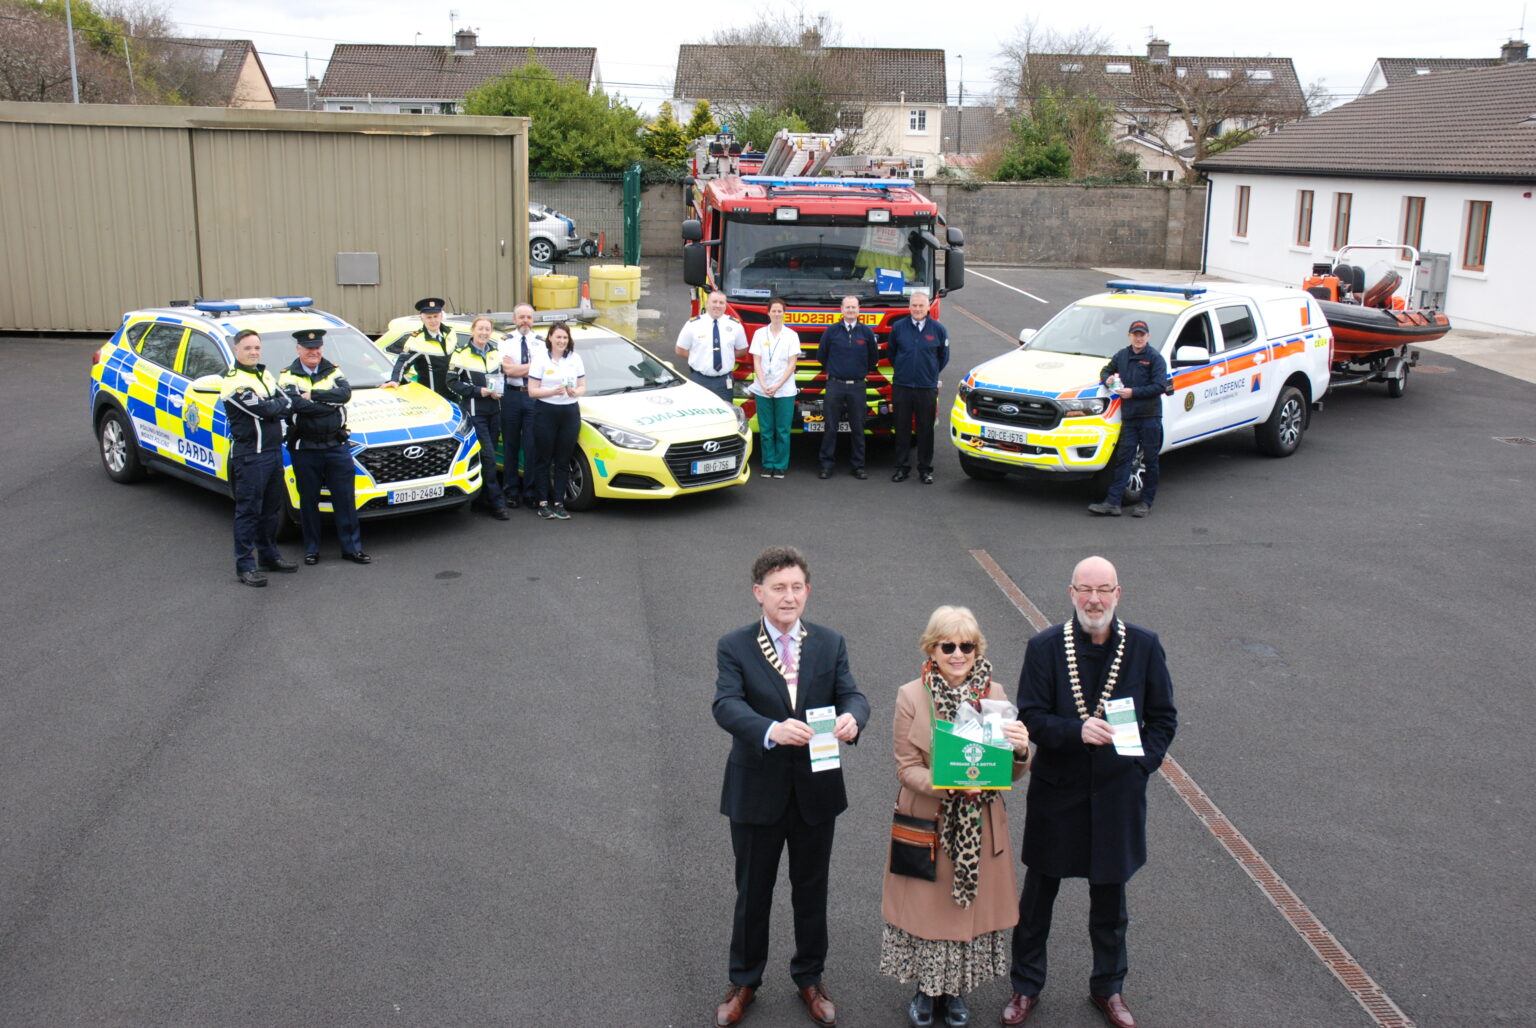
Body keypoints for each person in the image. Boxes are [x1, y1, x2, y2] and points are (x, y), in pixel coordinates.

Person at [1001, 556, 1178, 1028]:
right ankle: (1025, 987)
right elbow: (1031, 717)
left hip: (1117, 797)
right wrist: (1075, 731)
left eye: (1103, 590)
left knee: (1110, 905)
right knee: (1038, 900)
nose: (1094, 599)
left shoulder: (1143, 646)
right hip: (1058, 795)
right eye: (1085, 589)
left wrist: (1141, 767)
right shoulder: (1044, 647)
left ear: (1118, 594)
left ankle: (1109, 989)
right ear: (1071, 592)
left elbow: (1163, 718)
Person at [713, 546, 871, 1028]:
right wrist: (770, 729)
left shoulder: (829, 642)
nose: (789, 596)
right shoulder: (734, 645)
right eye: (778, 588)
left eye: (796, 587)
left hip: (815, 792)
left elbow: (853, 694)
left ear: (808, 591)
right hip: (756, 791)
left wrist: (852, 719)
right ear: (758, 593)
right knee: (752, 892)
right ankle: (744, 981)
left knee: (811, 889)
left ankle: (810, 977)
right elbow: (725, 704)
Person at [880, 606, 1030, 1028]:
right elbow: (905, 768)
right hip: (930, 821)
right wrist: (946, 785)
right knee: (929, 912)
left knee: (967, 913)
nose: (958, 654)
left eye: (967, 645)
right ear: (933, 648)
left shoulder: (996, 696)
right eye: (949, 646)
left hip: (978, 827)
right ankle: (926, 991)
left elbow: (1010, 772)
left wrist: (1021, 750)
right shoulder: (911, 695)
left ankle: (956, 991)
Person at [278, 329, 370, 565]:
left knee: (345, 499)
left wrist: (313, 395)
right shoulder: (288, 375)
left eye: (318, 347)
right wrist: (327, 403)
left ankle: (351, 548)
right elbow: (296, 405)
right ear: (299, 349)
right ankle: (312, 549)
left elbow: (344, 394)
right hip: (306, 448)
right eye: (309, 348)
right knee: (309, 501)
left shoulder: (333, 370)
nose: (314, 352)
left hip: (335, 446)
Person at [220, 328, 295, 587]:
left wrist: (276, 406)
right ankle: (245, 565)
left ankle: (268, 556)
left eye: (256, 348)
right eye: (248, 348)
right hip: (251, 455)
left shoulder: (263, 373)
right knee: (249, 511)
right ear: (236, 350)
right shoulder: (234, 381)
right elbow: (265, 410)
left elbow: (286, 401)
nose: (253, 352)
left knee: (270, 510)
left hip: (274, 452)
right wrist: (276, 407)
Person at [1088, 321, 1169, 518]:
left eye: (1142, 335)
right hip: (1130, 418)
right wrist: (1107, 378)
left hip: (1150, 417)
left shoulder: (1155, 358)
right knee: (1123, 460)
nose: (1139, 338)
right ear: (1129, 336)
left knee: (1150, 460)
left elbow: (1160, 386)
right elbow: (1106, 370)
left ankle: (1145, 503)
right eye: (1135, 334)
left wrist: (1133, 392)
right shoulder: (1122, 355)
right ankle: (1113, 502)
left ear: (1148, 337)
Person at [449, 316, 510, 521]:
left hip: (495, 411)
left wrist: (498, 390)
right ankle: (496, 503)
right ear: (473, 330)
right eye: (481, 329)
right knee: (490, 458)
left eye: (487, 329)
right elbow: (452, 383)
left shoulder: (494, 352)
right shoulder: (461, 354)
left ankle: (481, 500)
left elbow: (501, 378)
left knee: (488, 459)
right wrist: (478, 391)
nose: (484, 333)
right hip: (476, 413)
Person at [887, 290, 949, 485]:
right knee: (902, 428)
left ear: (928, 307)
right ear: (909, 307)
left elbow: (943, 357)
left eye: (921, 306)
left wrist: (928, 374)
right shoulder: (898, 327)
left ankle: (925, 469)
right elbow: (892, 354)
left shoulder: (938, 329)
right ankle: (902, 468)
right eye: (914, 305)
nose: (917, 309)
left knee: (925, 430)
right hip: (902, 386)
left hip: (926, 388)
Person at [814, 296, 879, 479]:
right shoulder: (831, 331)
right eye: (847, 307)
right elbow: (821, 355)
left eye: (854, 307)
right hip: (835, 385)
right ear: (841, 309)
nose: (850, 310)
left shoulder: (866, 332)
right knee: (830, 427)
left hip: (857, 386)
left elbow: (873, 359)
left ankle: (858, 466)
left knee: (858, 427)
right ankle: (826, 465)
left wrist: (857, 372)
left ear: (859, 309)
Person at [526, 321, 585, 521]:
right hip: (546, 410)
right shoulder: (540, 359)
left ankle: (559, 502)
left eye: (565, 337)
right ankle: (543, 502)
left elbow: (582, 385)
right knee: (543, 458)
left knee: (563, 459)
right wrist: (552, 391)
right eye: (558, 337)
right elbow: (532, 391)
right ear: (550, 337)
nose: (561, 341)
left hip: (569, 411)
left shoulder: (575, 358)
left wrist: (574, 391)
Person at [747, 297, 802, 480]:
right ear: (768, 312)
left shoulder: (791, 335)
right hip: (763, 388)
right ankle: (767, 463)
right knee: (766, 429)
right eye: (774, 311)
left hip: (785, 389)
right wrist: (763, 384)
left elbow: (792, 363)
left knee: (782, 429)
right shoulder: (759, 334)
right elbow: (757, 360)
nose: (777, 314)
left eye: (780, 311)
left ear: (784, 313)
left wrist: (777, 385)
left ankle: (780, 465)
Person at [498, 304, 545, 508]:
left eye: (528, 317)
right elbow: (508, 370)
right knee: (510, 445)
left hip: (533, 397)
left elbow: (542, 370)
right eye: (521, 317)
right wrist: (531, 367)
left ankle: (530, 492)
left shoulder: (541, 342)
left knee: (531, 446)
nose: (525, 321)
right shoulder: (505, 341)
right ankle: (511, 491)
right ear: (514, 319)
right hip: (511, 397)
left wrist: (521, 369)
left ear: (532, 320)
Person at [677, 290, 749, 404]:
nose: (717, 305)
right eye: (714, 302)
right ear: (707, 303)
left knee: (725, 413)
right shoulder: (693, 324)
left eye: (721, 303)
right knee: (699, 412)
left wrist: (726, 356)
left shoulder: (735, 325)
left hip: (724, 381)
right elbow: (680, 349)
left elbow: (743, 350)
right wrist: (698, 357)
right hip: (699, 379)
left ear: (726, 305)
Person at [386, 297, 458, 398]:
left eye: (435, 316)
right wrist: (395, 380)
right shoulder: (416, 340)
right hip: (431, 396)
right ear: (422, 318)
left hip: (453, 395)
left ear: (441, 316)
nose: (433, 320)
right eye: (429, 317)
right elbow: (402, 362)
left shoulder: (450, 333)